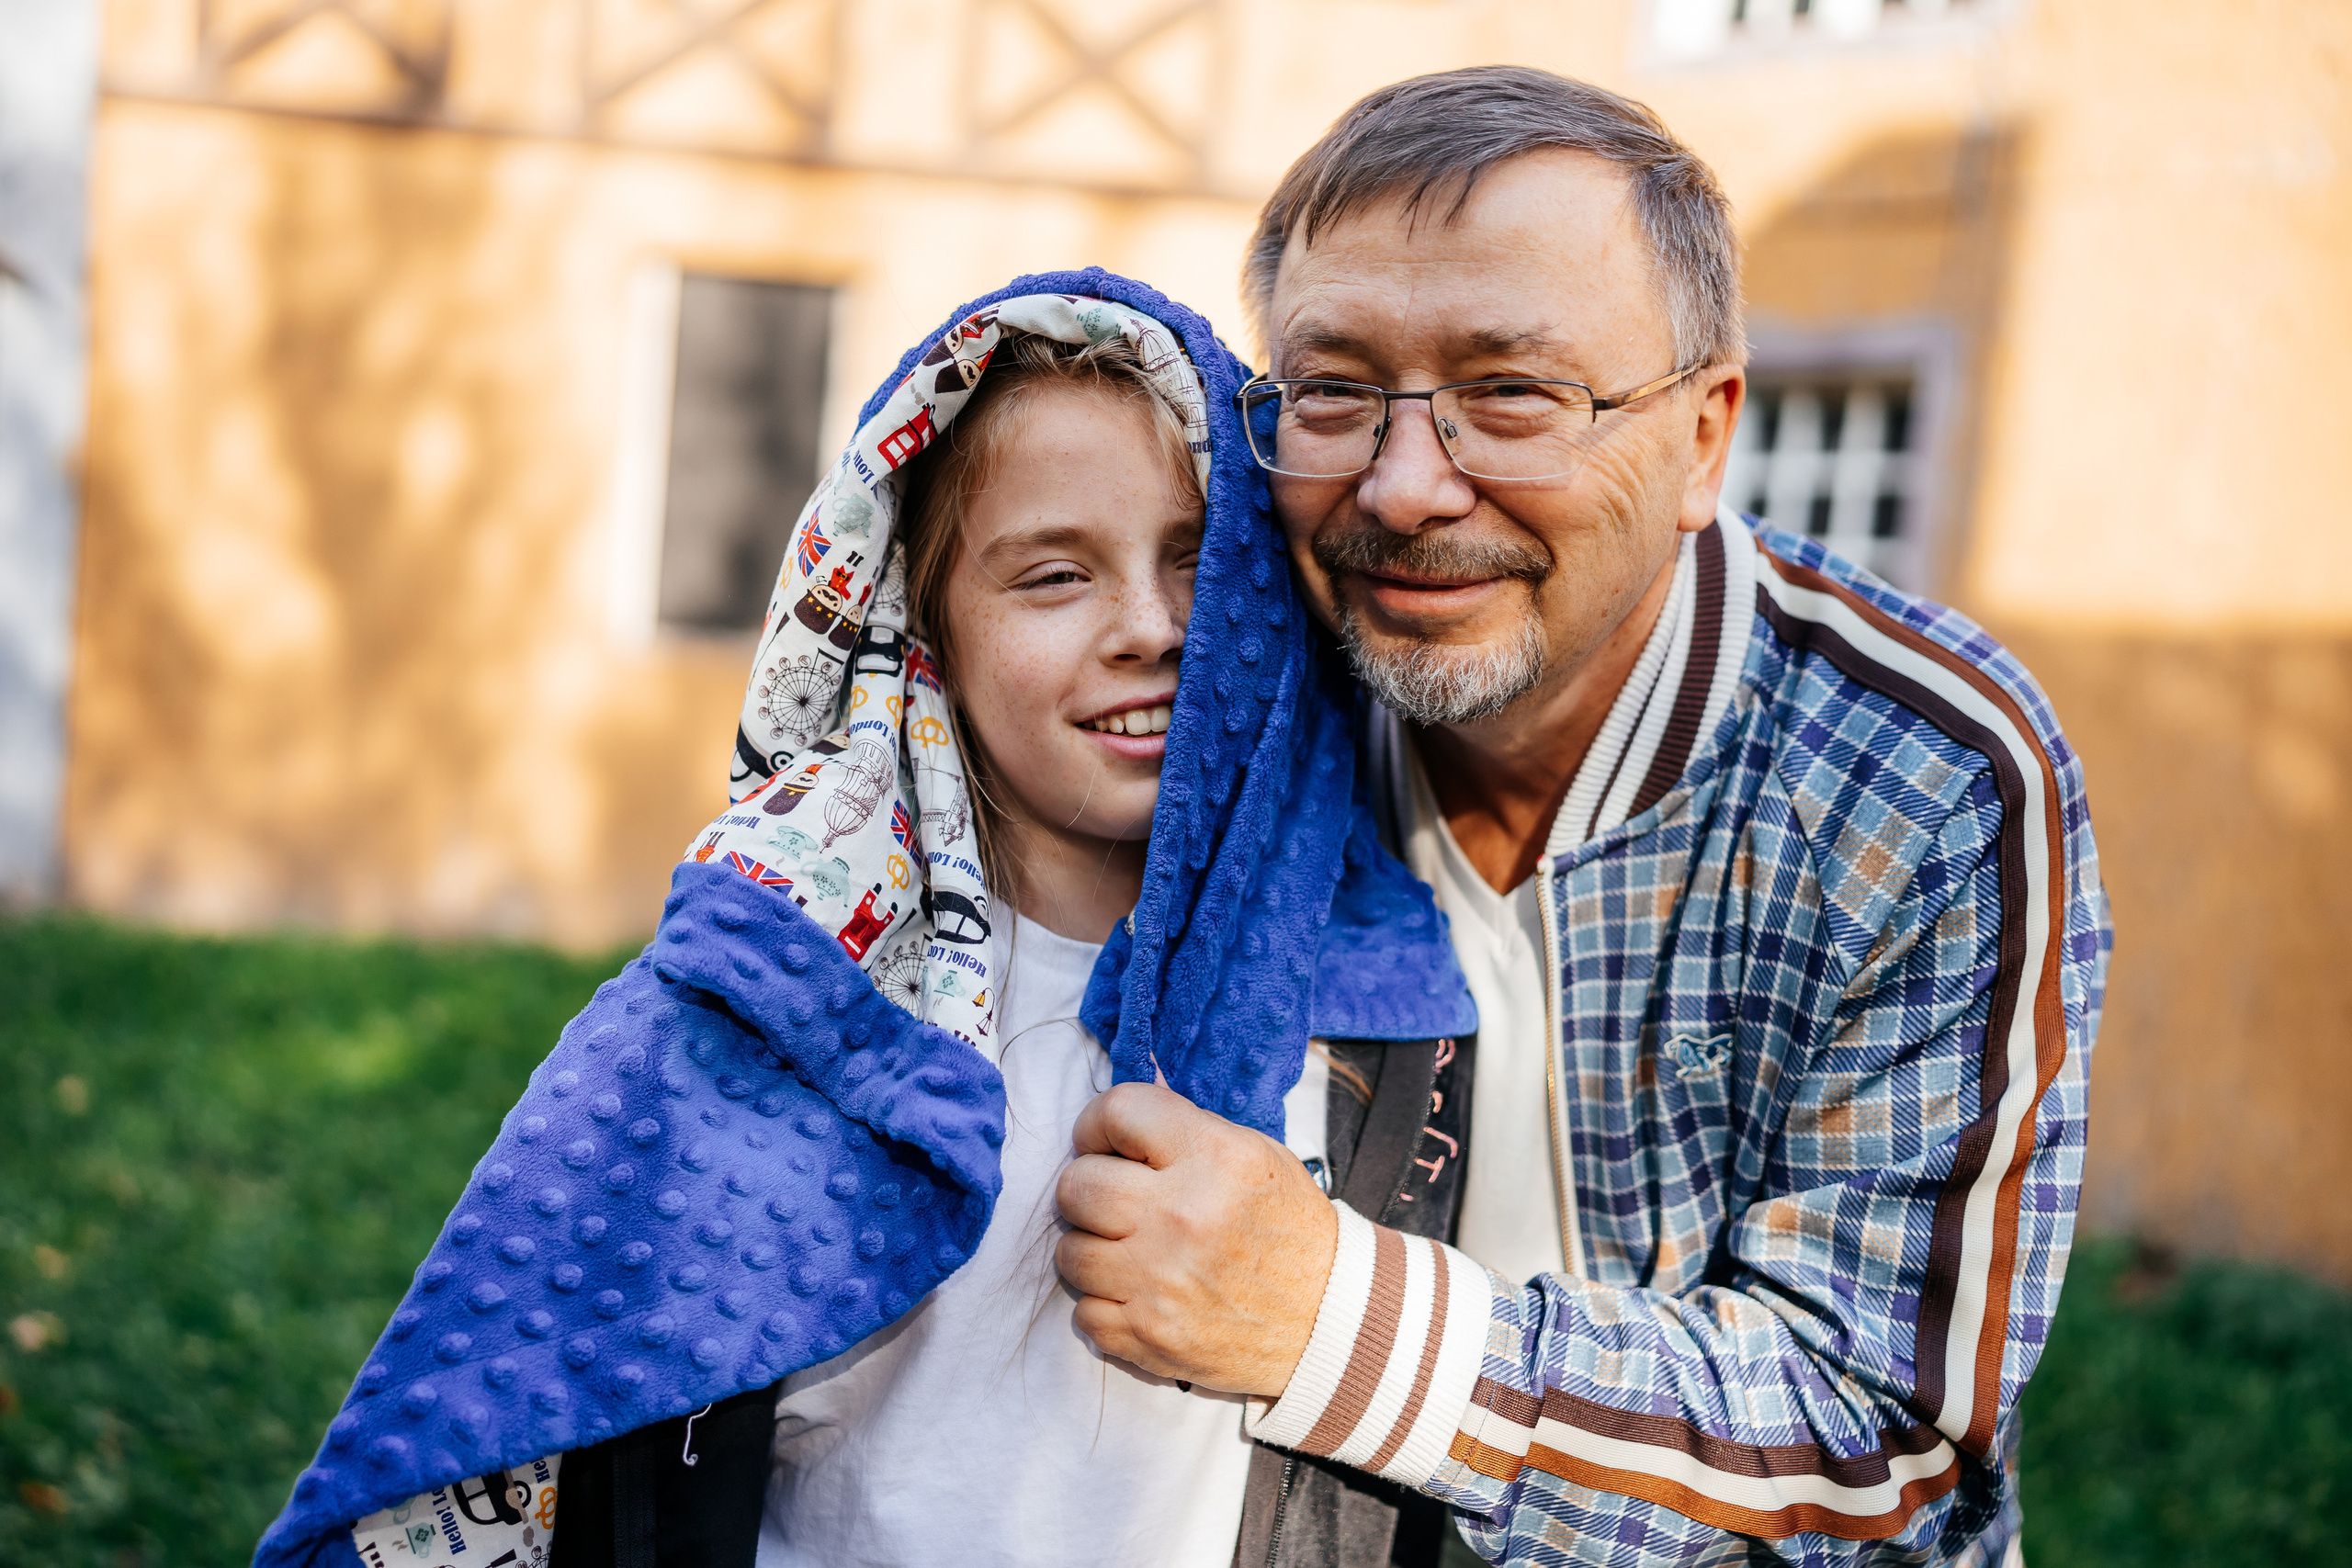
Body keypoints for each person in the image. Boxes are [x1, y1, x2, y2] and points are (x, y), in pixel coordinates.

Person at [252, 273, 1478, 1568]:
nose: (1151, 627)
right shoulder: (763, 1008)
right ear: (921, 635)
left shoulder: (1374, 1012)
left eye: (1200, 561)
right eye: (1053, 575)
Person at [1051, 68, 2110, 1567]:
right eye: (1335, 390)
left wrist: (1334, 1320)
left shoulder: (1920, 775)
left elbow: (1887, 1449)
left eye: (1511, 394)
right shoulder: (1227, 697)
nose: (1404, 489)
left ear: (1703, 437)